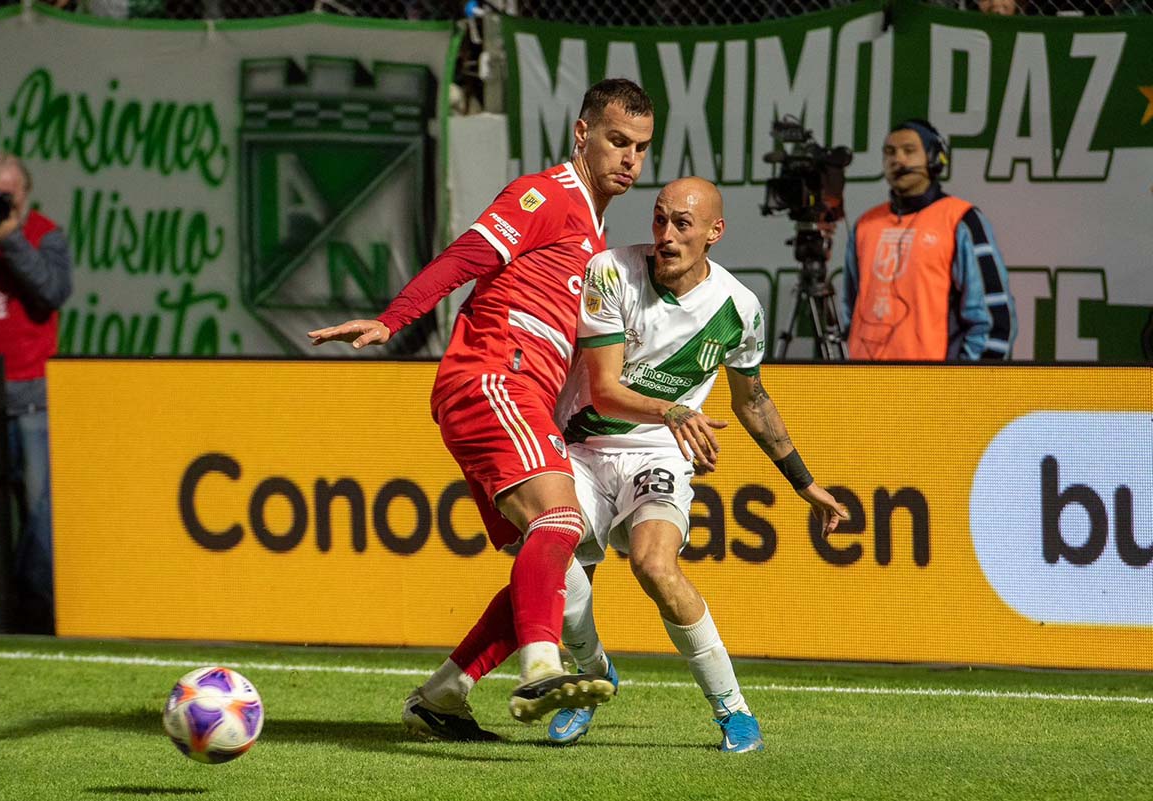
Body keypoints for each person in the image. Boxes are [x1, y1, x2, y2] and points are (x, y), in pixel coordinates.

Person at [308, 78, 658, 735]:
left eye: (640, 146)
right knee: (559, 521)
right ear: (582, 134)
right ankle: (539, 668)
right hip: (494, 376)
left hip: (520, 392)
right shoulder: (547, 193)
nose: (630, 157)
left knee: (551, 551)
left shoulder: (590, 227)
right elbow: (470, 253)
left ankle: (441, 697)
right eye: (617, 140)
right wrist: (395, 317)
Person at [539, 177, 848, 752]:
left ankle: (733, 710)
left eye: (683, 224)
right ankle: (591, 673)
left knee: (655, 566)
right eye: (659, 220)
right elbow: (604, 390)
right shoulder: (610, 272)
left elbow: (752, 402)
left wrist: (805, 484)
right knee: (551, 558)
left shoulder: (739, 308)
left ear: (714, 232)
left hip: (658, 452)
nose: (666, 235)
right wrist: (674, 409)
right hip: (582, 448)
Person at [0, 153, 73, 634]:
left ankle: (33, 610)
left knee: (40, 512)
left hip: (28, 394)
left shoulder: (44, 234)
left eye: (10, 194)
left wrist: (11, 240)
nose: (2, 202)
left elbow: (52, 292)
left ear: (25, 194)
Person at [843, 118, 1015, 361]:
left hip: (929, 388)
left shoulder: (960, 219)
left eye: (909, 151)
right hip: (860, 385)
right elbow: (850, 311)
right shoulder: (865, 224)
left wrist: (964, 384)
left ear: (935, 159)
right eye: (889, 152)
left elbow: (992, 317)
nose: (897, 160)